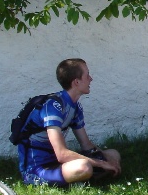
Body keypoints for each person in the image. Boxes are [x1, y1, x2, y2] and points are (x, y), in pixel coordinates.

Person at [18, 58, 121, 187]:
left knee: (113, 154)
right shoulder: (53, 107)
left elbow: (86, 145)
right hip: (37, 169)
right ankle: (85, 178)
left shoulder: (75, 107)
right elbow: (62, 154)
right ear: (76, 82)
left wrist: (107, 159)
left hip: (59, 164)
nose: (91, 79)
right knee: (84, 167)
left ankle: (84, 178)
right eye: (87, 75)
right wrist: (100, 163)